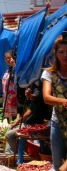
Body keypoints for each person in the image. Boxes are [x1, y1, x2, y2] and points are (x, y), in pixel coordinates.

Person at [5, 81, 50, 165]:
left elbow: (35, 99)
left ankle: (21, 154)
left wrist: (16, 123)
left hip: (33, 124)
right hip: (31, 123)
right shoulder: (37, 87)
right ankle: (15, 152)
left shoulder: (37, 88)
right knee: (11, 131)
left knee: (9, 135)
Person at [42, 34, 67, 171]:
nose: (65, 55)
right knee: (57, 163)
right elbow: (46, 98)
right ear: (56, 54)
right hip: (58, 122)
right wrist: (63, 101)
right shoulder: (49, 74)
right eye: (61, 52)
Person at [2, 51, 18, 119]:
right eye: (6, 58)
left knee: (14, 114)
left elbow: (15, 79)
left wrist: (14, 65)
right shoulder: (9, 69)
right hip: (7, 96)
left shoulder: (16, 67)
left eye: (9, 57)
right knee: (8, 115)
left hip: (13, 96)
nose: (8, 60)